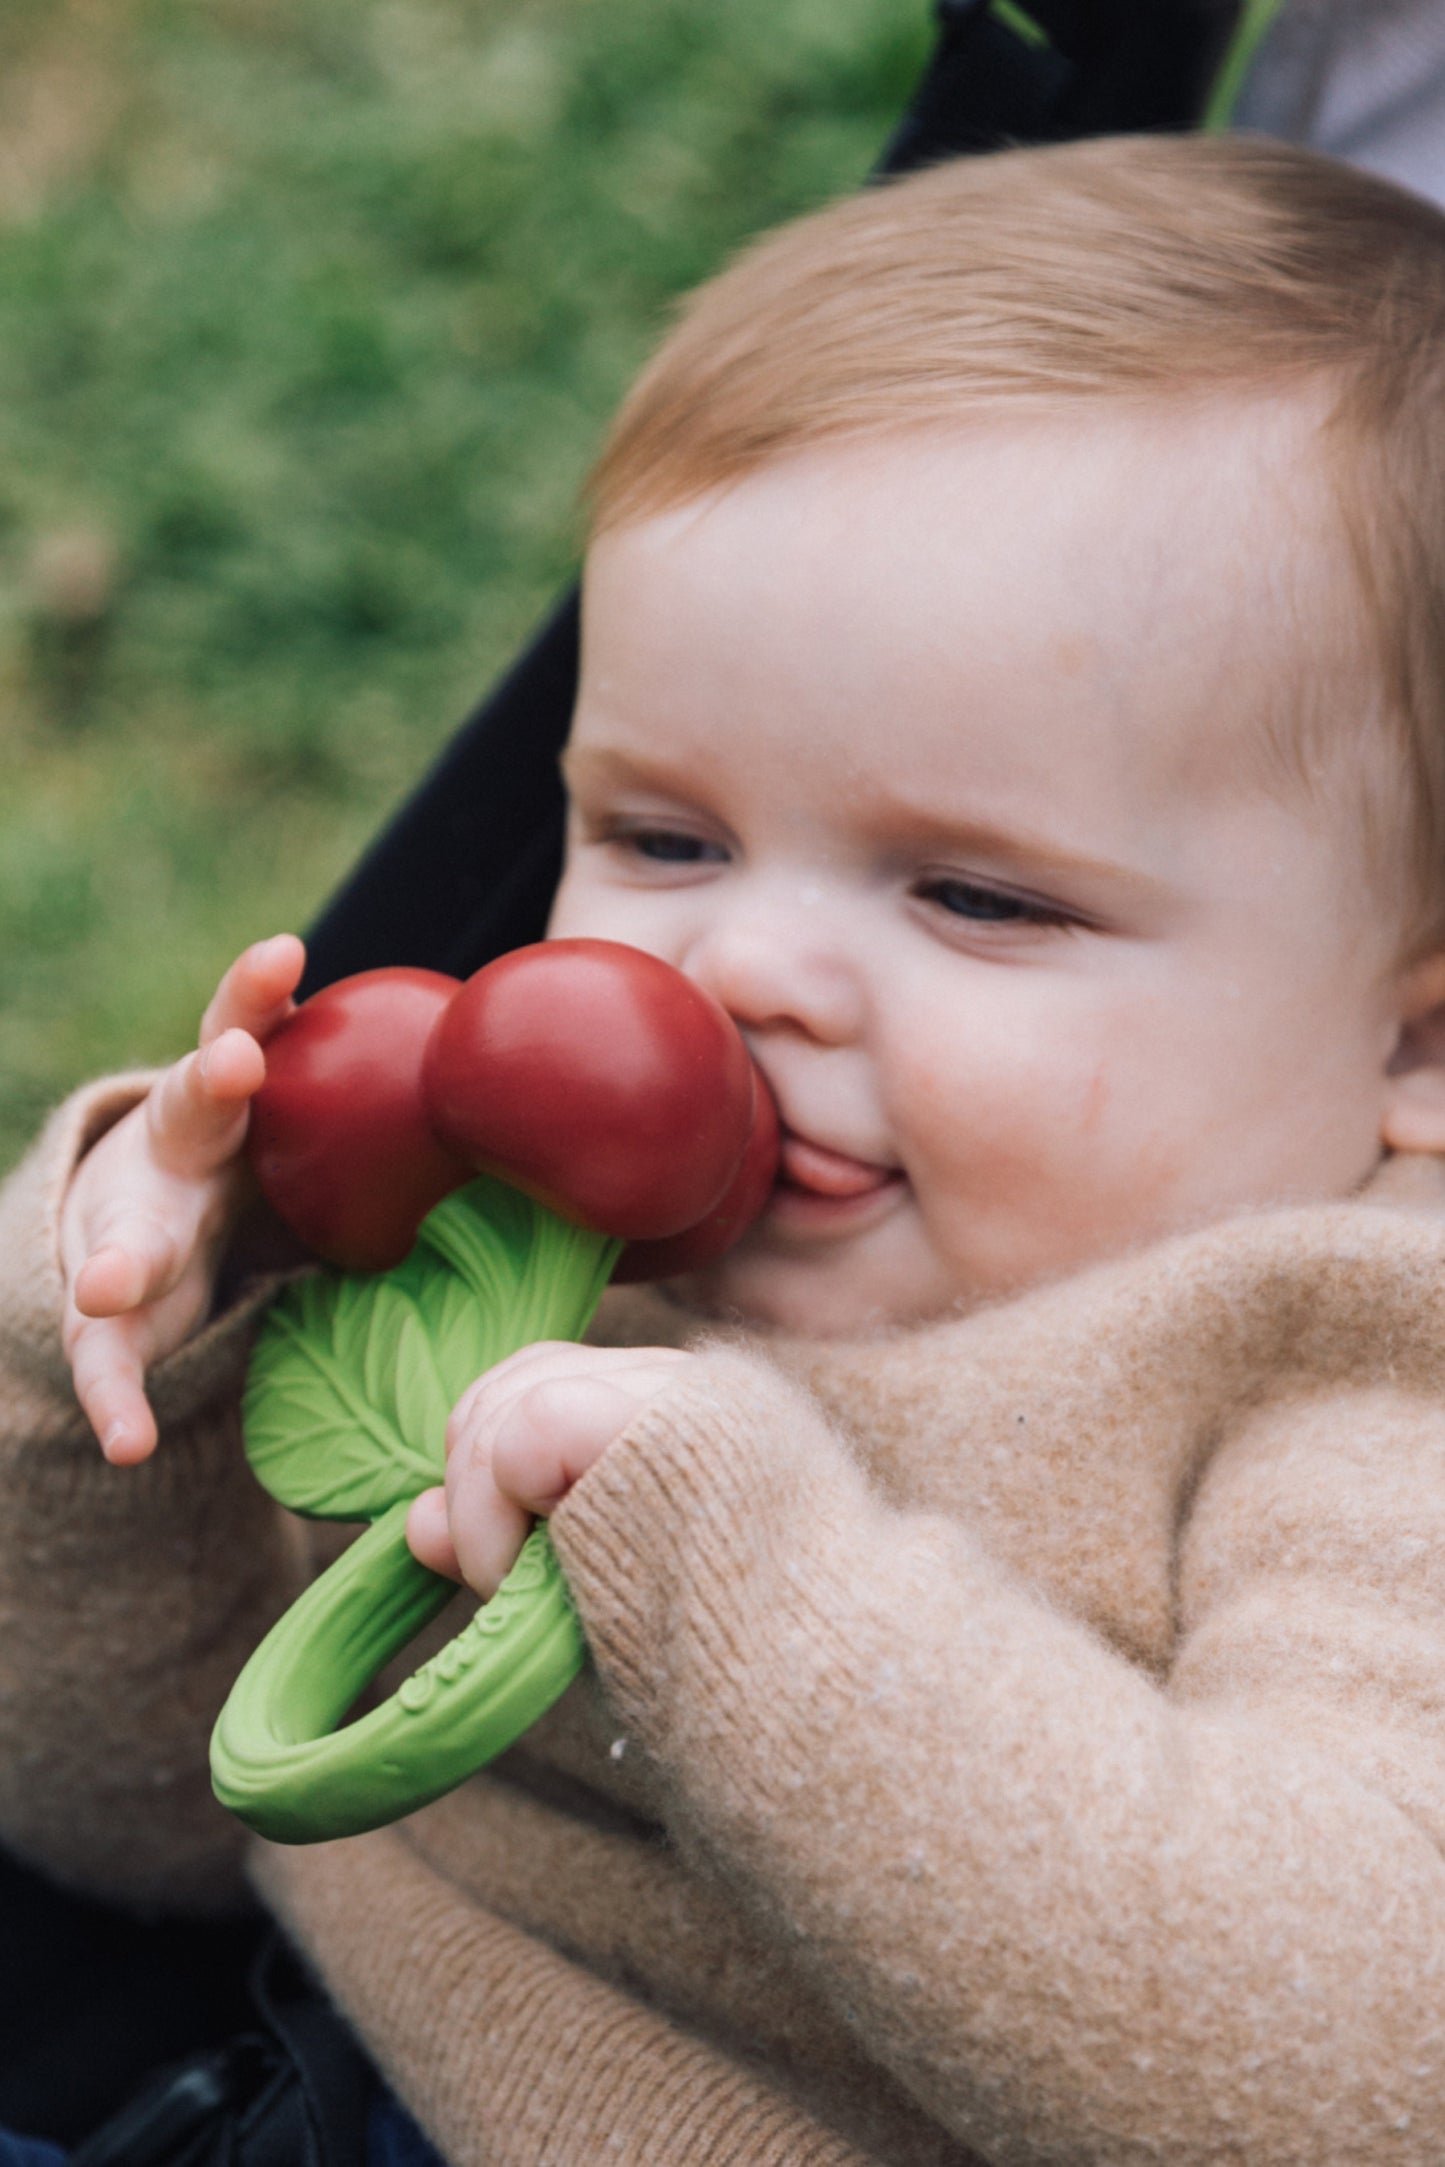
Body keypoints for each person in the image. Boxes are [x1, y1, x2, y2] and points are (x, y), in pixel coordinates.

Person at [8, 129, 1445, 2165]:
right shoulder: (545, 1244)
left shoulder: (1354, 1385)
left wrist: (729, 1577)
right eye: (663, 838)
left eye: (978, 895)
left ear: (1422, 1037)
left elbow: (1359, 2076)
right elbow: (135, 1803)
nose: (736, 963)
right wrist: (118, 1357)